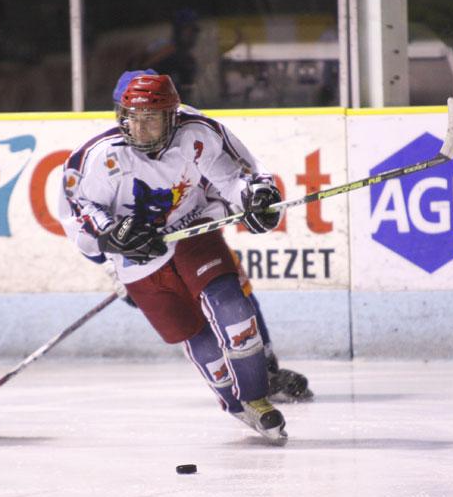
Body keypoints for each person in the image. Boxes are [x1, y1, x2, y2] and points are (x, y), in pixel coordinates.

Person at [58, 72, 303, 444]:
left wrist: (254, 198)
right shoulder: (101, 156)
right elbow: (81, 208)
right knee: (196, 336)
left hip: (192, 230)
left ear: (171, 116)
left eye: (151, 118)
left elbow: (236, 177)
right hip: (140, 259)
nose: (139, 128)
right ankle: (237, 405)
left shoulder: (196, 133)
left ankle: (257, 396)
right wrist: (112, 235)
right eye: (132, 118)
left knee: (234, 310)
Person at [130, 8, 201, 103]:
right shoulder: (165, 47)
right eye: (189, 30)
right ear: (179, 30)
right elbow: (140, 65)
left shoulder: (187, 58)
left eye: (195, 31)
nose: (192, 35)